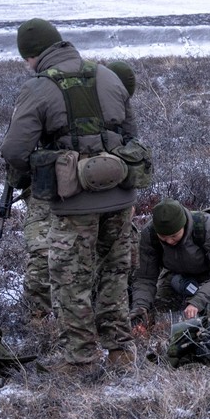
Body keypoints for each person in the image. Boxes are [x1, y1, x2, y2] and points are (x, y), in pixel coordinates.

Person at [0, 18, 137, 369]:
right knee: (114, 274)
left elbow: (15, 151)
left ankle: (80, 361)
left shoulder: (38, 88)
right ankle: (120, 352)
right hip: (120, 194)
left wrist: (50, 162)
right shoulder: (108, 76)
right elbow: (131, 135)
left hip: (73, 202)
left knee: (69, 278)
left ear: (31, 55)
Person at [18, 59, 138, 319]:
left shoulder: (87, 88)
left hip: (81, 192)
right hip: (56, 190)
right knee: (47, 254)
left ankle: (54, 319)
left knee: (104, 260)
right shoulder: (91, 94)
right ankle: (38, 318)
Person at [129, 200, 210, 325]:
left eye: (174, 235)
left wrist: (198, 301)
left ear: (183, 225)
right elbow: (145, 278)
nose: (169, 241)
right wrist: (140, 307)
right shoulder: (149, 234)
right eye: (163, 237)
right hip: (176, 277)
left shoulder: (209, 227)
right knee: (159, 313)